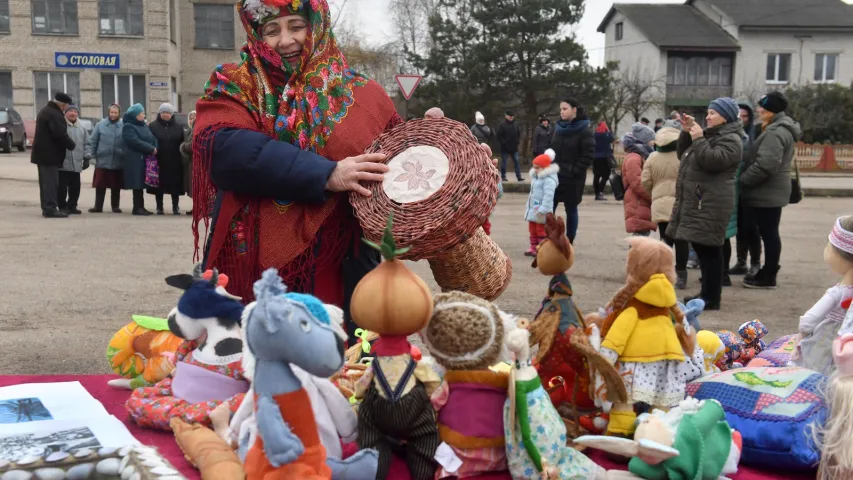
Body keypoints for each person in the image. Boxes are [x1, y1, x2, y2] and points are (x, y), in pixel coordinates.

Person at [191, 0, 400, 340]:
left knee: (338, 361)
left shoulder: (366, 95)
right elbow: (225, 149)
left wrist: (440, 148)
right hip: (253, 260)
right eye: (272, 30)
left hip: (343, 260)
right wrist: (326, 173)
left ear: (316, 25)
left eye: (296, 26)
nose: (285, 40)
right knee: (254, 364)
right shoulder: (235, 84)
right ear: (256, 34)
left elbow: (396, 162)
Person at [667, 97, 743, 310]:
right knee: (703, 247)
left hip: (711, 201)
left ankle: (711, 298)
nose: (708, 117)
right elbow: (685, 154)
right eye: (708, 113)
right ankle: (707, 294)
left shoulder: (732, 139)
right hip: (703, 197)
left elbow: (712, 160)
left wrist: (699, 138)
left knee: (710, 249)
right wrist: (686, 132)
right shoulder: (713, 135)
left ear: (725, 116)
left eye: (712, 113)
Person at [741, 91, 801, 289]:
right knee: (769, 233)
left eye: (762, 107)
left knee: (769, 233)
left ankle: (768, 275)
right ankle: (767, 271)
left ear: (771, 111)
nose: (758, 110)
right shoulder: (778, 128)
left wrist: (743, 180)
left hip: (768, 191)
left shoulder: (775, 132)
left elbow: (766, 165)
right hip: (772, 190)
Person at [642, 125, 689, 289]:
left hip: (660, 203)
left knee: (665, 239)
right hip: (681, 202)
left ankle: (664, 274)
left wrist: (654, 194)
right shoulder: (683, 156)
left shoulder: (653, 157)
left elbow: (645, 181)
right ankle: (682, 274)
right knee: (682, 240)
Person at [550, 98, 594, 243]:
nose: (562, 112)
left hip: (573, 178)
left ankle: (569, 240)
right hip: (554, 175)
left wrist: (575, 170)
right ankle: (550, 237)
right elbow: (551, 149)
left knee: (571, 208)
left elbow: (588, 155)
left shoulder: (584, 130)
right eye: (561, 109)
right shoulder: (558, 128)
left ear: (574, 109)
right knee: (549, 208)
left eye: (565, 109)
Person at [729, 102, 762, 277]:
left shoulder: (755, 136)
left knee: (752, 228)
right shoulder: (730, 135)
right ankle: (741, 262)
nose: (742, 120)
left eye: (745, 116)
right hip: (734, 189)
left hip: (750, 188)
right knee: (740, 228)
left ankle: (755, 263)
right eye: (738, 116)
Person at [31, 92, 76, 218]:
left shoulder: (47, 111)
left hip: (43, 155)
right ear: (63, 105)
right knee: (50, 183)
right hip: (49, 155)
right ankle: (50, 208)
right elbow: (59, 134)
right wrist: (71, 145)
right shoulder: (54, 114)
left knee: (46, 183)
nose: (67, 108)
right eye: (67, 105)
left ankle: (47, 207)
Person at [147, 103, 186, 215]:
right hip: (159, 160)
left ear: (172, 114)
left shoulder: (178, 127)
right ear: (160, 113)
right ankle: (159, 207)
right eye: (163, 112)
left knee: (175, 186)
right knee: (159, 185)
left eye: (168, 112)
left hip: (175, 160)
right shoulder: (153, 126)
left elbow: (182, 142)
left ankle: (175, 207)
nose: (165, 114)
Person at [620, 123, 656, 237]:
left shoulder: (640, 156)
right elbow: (638, 183)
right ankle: (635, 255)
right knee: (640, 235)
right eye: (651, 139)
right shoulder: (634, 157)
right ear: (643, 141)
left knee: (642, 233)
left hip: (640, 201)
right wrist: (652, 196)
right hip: (638, 201)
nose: (653, 142)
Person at [88, 104, 125, 213]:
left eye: (115, 113)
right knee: (100, 185)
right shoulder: (100, 125)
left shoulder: (123, 125)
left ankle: (115, 206)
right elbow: (93, 141)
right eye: (111, 112)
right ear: (108, 113)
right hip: (102, 160)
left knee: (116, 186)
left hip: (118, 160)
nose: (113, 115)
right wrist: (92, 156)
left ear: (119, 114)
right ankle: (98, 206)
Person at [122, 103, 157, 216]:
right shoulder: (128, 126)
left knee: (141, 183)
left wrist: (155, 146)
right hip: (134, 159)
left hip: (144, 158)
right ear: (136, 115)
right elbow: (134, 141)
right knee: (137, 184)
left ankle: (140, 207)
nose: (144, 114)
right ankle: (137, 207)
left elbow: (152, 138)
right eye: (142, 113)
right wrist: (150, 148)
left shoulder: (143, 125)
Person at [524, 150, 558, 256]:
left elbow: (548, 197)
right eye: (534, 167)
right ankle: (533, 247)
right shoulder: (536, 177)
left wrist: (543, 209)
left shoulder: (549, 180)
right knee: (532, 229)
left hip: (542, 210)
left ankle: (541, 248)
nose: (535, 169)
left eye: (537, 167)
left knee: (541, 231)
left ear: (545, 168)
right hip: (533, 208)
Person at [58, 105, 91, 214]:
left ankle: (72, 205)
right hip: (63, 163)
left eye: (75, 111)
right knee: (62, 187)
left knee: (75, 187)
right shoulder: (62, 126)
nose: (72, 113)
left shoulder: (82, 129)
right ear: (65, 113)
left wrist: (86, 158)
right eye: (70, 111)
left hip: (76, 164)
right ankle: (62, 206)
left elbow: (87, 144)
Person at [496, 110, 523, 182]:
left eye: (512, 116)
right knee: (504, 162)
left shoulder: (516, 124)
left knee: (516, 162)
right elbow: (498, 136)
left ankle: (519, 176)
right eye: (509, 116)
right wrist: (503, 142)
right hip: (505, 147)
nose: (511, 117)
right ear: (506, 116)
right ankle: (503, 176)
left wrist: (517, 141)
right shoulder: (502, 125)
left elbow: (519, 133)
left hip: (514, 147)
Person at [180, 110, 196, 216]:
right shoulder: (187, 131)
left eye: (194, 118)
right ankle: (196, 207)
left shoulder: (197, 129)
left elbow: (192, 145)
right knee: (193, 187)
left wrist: (183, 147)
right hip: (190, 162)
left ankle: (200, 208)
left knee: (196, 186)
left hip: (197, 162)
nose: (192, 120)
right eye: (190, 118)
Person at [593, 121, 614, 201]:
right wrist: (608, 131)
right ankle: (600, 192)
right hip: (605, 158)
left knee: (596, 176)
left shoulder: (594, 135)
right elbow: (612, 138)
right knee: (605, 176)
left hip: (595, 158)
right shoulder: (606, 135)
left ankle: (596, 194)